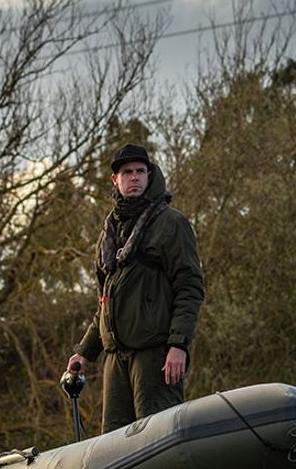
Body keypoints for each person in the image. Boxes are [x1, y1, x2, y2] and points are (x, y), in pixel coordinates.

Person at [67, 143, 205, 434]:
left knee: (156, 440)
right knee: (112, 446)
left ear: (149, 175)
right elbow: (105, 304)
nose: (134, 177)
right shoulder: (109, 233)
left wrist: (178, 344)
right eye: (127, 172)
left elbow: (190, 287)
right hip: (116, 359)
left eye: (140, 171)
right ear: (115, 180)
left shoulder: (171, 223)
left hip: (155, 355)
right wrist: (84, 352)